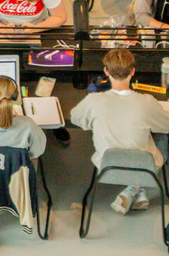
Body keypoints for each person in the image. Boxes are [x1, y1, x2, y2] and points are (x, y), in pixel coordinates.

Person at [71, 49, 169, 215]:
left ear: (106, 71)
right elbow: (165, 126)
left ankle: (133, 189)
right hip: (144, 168)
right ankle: (137, 188)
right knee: (162, 138)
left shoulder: (94, 101)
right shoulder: (147, 102)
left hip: (107, 167)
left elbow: (76, 119)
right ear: (133, 71)